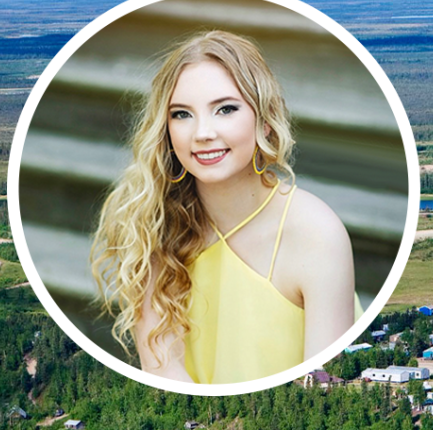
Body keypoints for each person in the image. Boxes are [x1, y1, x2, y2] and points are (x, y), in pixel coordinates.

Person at [91, 30, 361, 384]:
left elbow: (325, 390)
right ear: (165, 130)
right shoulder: (155, 227)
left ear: (264, 118)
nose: (202, 133)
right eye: (182, 114)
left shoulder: (316, 233)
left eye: (226, 109)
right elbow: (166, 377)